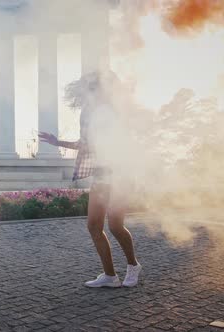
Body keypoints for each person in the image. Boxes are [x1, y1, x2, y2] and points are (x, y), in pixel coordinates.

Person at [38, 70, 142, 288]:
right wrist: (58, 143)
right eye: (91, 87)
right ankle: (110, 276)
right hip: (102, 173)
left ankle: (133, 265)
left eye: (97, 87)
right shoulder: (87, 113)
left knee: (115, 225)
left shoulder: (117, 112)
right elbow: (85, 144)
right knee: (94, 225)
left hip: (121, 173)